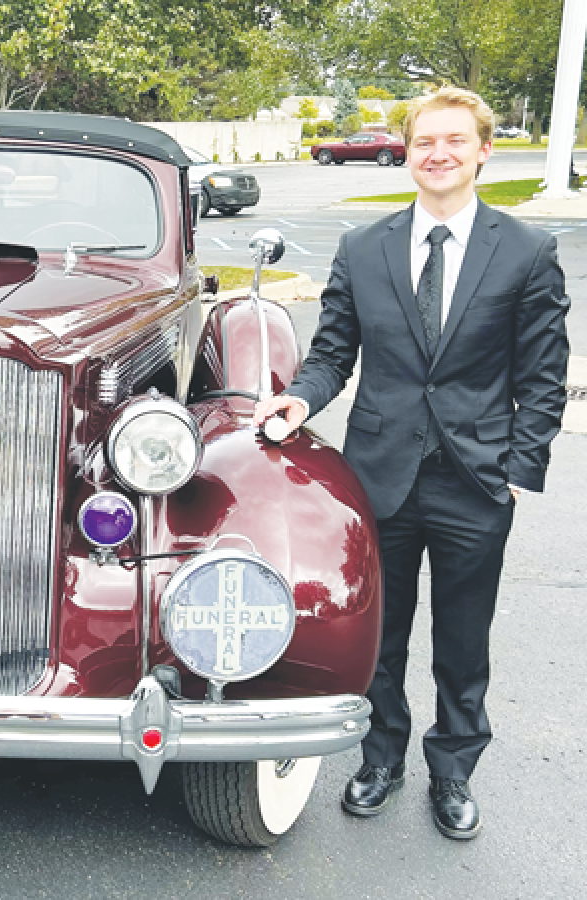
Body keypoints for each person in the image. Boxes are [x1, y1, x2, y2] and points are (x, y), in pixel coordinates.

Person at [254, 86, 569, 840]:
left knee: (464, 642)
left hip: (476, 480)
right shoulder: (363, 249)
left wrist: (521, 472)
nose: (439, 154)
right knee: (380, 637)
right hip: (381, 475)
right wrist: (299, 399)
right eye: (426, 140)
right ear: (408, 149)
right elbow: (333, 352)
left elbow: (543, 377)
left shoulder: (527, 251)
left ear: (483, 152)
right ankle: (381, 758)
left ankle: (454, 770)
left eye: (456, 141)